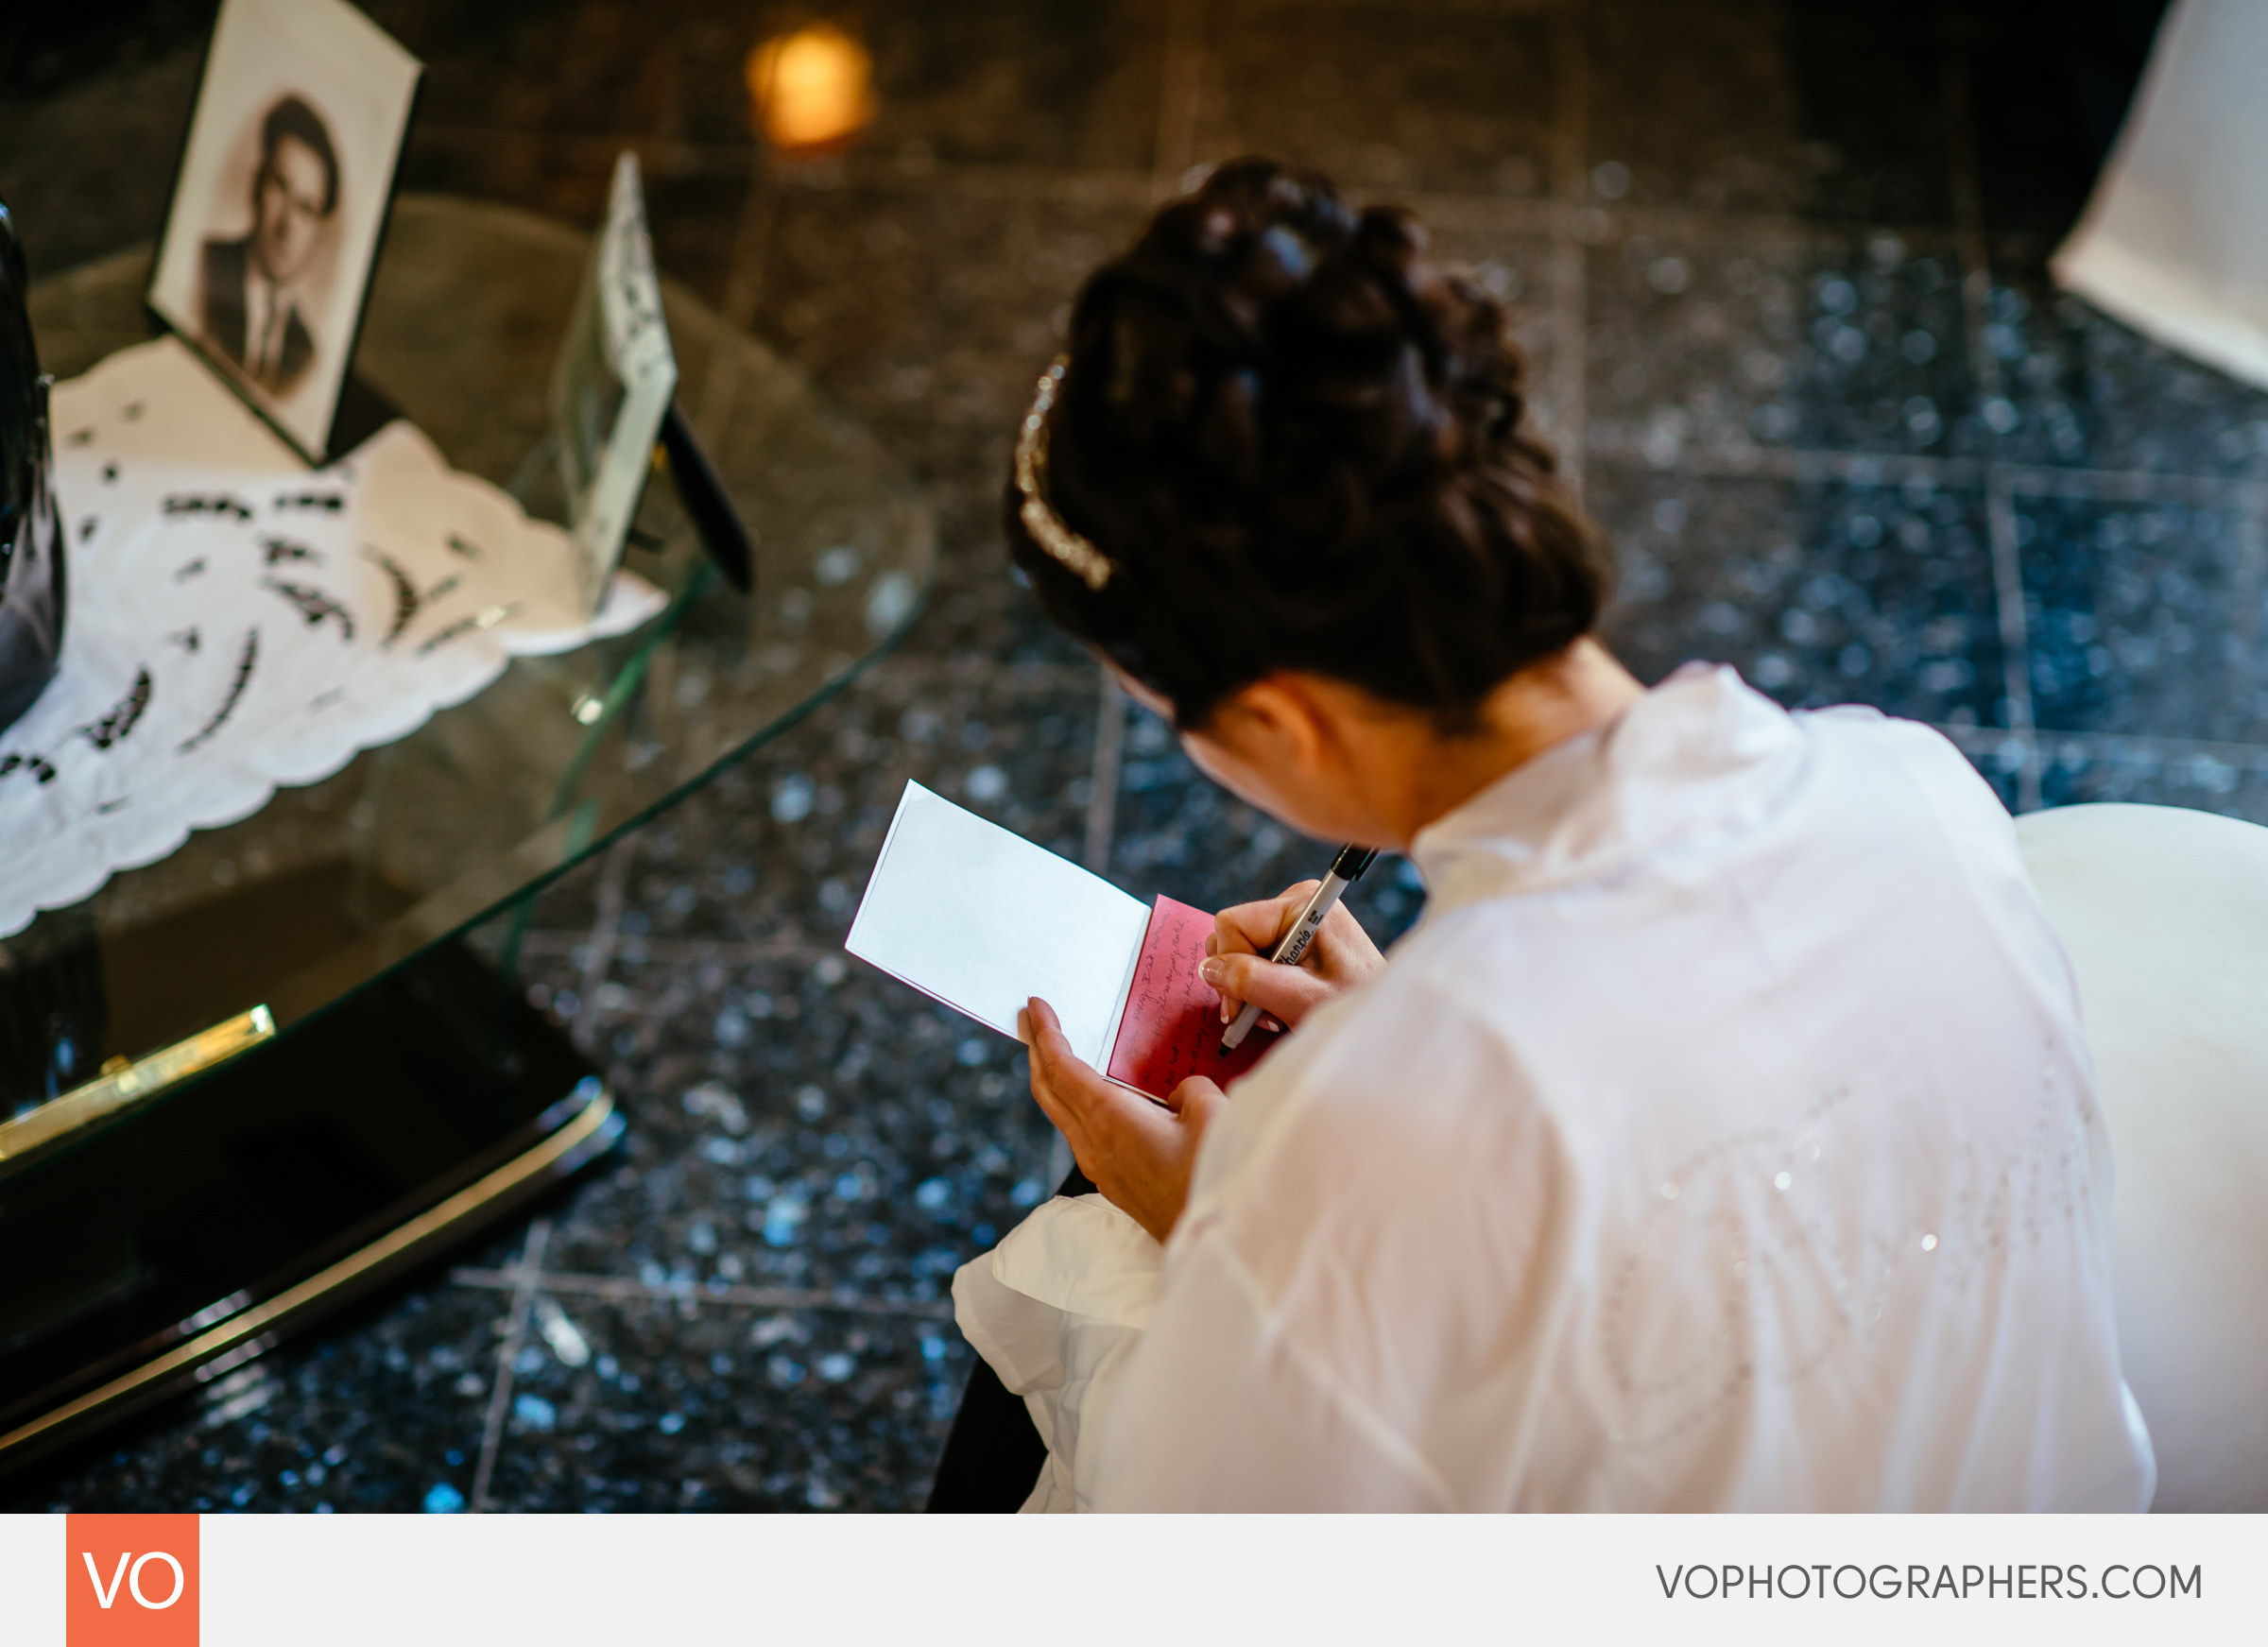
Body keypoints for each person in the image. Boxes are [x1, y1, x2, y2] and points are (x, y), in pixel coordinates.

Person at [936, 158, 2156, 1512]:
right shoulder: (1910, 782)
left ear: (1282, 716)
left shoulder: (1340, 1168)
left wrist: (1222, 1232)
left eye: (1177, 719)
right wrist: (1418, 1047)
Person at [199, 94, 338, 396]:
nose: (286, 226)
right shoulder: (201, 268)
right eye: (280, 187)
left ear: (319, 232)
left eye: (306, 209)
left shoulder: (307, 354)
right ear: (257, 186)